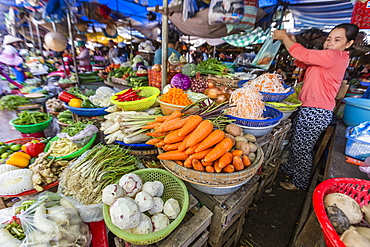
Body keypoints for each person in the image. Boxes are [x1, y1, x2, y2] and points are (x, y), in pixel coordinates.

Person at [272, 23, 359, 191]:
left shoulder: (335, 56)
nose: (330, 43)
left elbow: (302, 54)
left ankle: (300, 183)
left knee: (302, 148)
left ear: (348, 44)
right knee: (298, 143)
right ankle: (290, 169)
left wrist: (284, 37)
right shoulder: (327, 57)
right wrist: (290, 41)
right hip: (309, 108)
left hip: (316, 111)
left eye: (337, 39)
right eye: (329, 39)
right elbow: (302, 60)